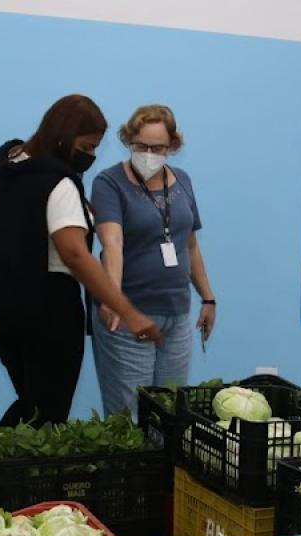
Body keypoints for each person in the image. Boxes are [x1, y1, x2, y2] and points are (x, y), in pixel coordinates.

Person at [0, 94, 161, 427]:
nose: (90, 156)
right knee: (47, 415)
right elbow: (75, 255)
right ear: (63, 136)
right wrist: (128, 311)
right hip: (46, 315)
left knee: (32, 405)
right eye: (86, 148)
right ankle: (8, 474)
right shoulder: (59, 181)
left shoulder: (3, 160)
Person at [90, 105, 216, 417]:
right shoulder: (109, 183)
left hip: (175, 315)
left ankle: (163, 468)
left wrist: (208, 298)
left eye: (157, 148)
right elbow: (112, 243)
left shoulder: (183, 180)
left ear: (172, 146)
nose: (148, 154)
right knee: (130, 417)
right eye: (140, 146)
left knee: (170, 411)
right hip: (129, 317)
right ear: (128, 140)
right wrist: (112, 298)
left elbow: (190, 245)